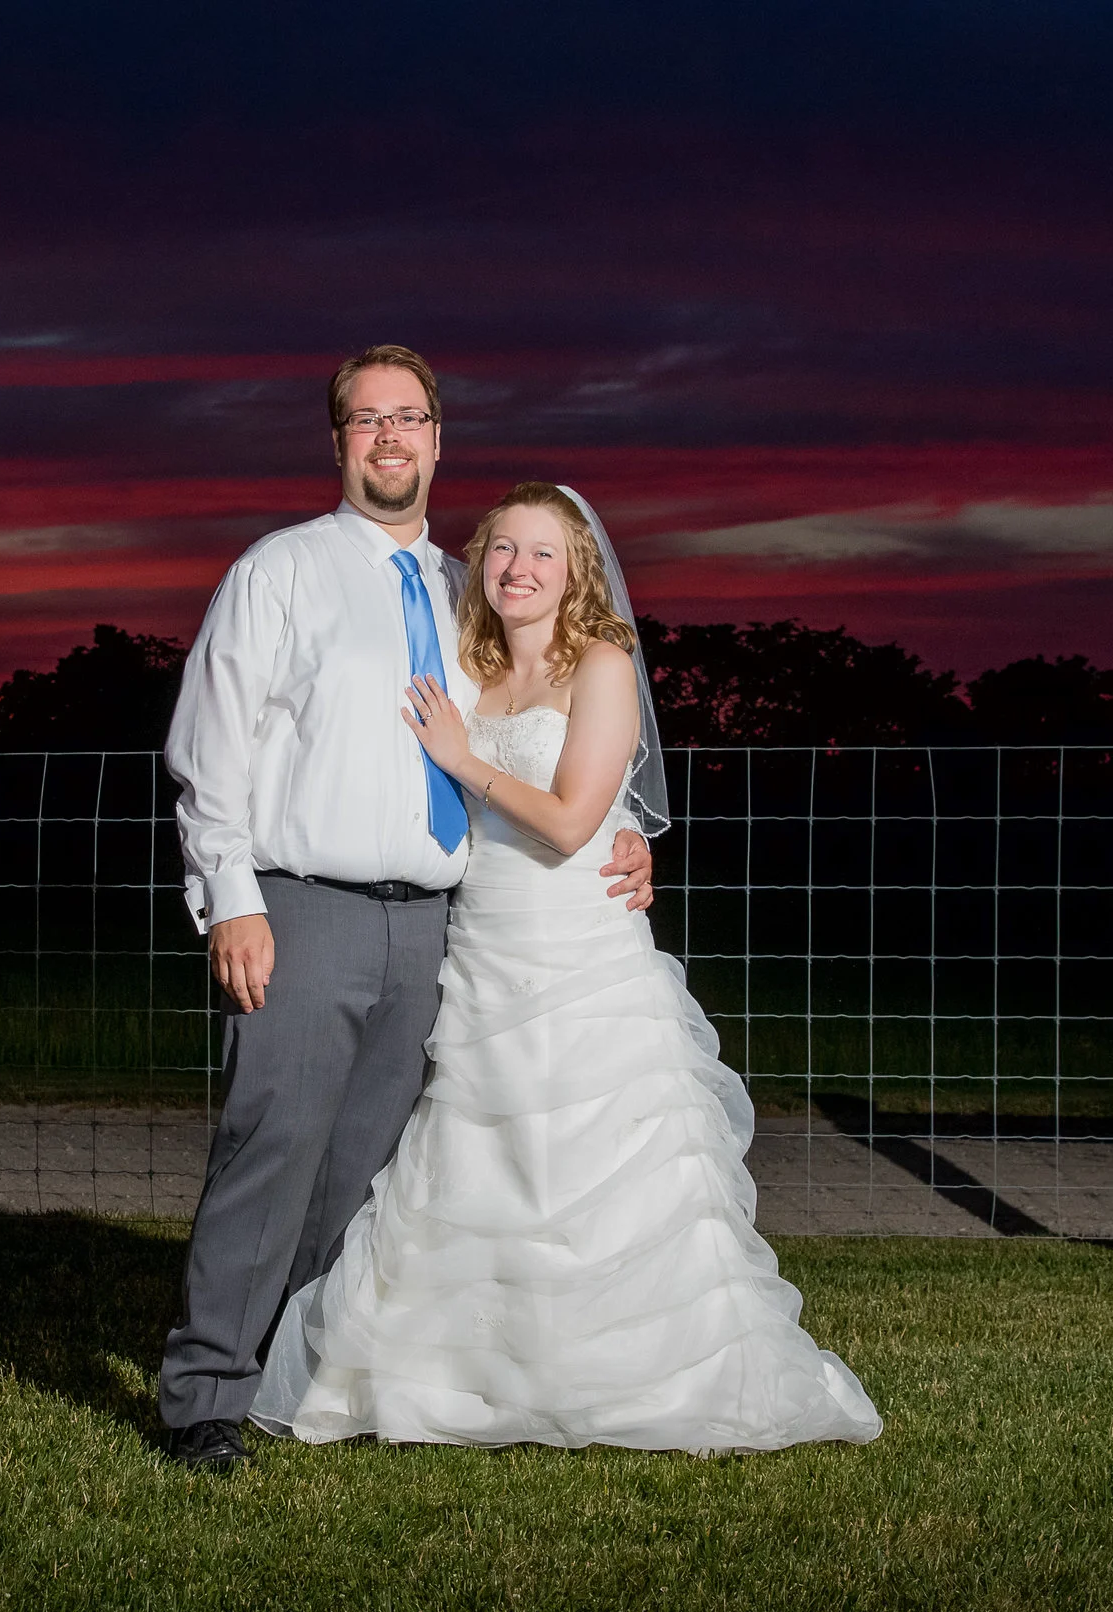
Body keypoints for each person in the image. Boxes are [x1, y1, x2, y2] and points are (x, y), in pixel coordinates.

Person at [251, 482, 882, 1452]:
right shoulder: (468, 663)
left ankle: (631, 1374)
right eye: (502, 548)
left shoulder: (604, 661)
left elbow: (572, 818)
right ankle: (460, 1374)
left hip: (578, 938)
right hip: (486, 935)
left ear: (577, 567)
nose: (518, 568)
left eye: (543, 552)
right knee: (472, 1146)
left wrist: (478, 766)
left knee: (603, 1151)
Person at [157, 349, 657, 1474]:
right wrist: (230, 898)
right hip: (303, 907)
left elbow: (549, 725)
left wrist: (616, 833)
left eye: (409, 418)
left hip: (443, 920)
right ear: (337, 442)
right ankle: (203, 1397)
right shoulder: (277, 571)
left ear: (439, 441)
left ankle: (308, 1376)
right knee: (270, 1149)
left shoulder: (469, 589)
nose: (389, 437)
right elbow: (210, 750)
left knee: (372, 1171)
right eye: (366, 419)